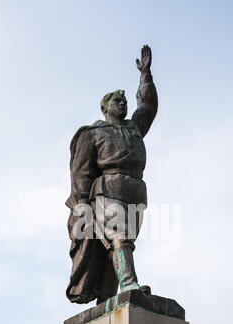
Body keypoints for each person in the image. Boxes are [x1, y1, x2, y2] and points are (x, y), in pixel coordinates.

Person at [66, 45, 158, 304]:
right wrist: (82, 204)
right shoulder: (92, 133)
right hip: (106, 188)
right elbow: (81, 171)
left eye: (125, 101)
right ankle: (129, 283)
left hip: (135, 188)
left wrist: (145, 77)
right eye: (117, 101)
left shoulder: (134, 128)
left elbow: (148, 106)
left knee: (117, 245)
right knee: (120, 236)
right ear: (104, 107)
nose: (123, 104)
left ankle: (107, 295)